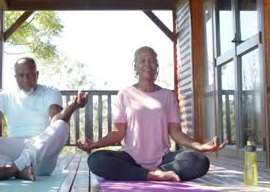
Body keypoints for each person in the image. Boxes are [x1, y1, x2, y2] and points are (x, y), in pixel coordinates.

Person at [76, 46, 228, 182]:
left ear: (157, 66)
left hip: (162, 159)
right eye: (142, 61)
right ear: (135, 66)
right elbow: (117, 133)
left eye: (151, 61)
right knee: (96, 160)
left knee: (199, 161)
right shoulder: (125, 94)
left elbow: (175, 133)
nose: (147, 64)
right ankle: (150, 175)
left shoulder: (168, 95)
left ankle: (153, 172)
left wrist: (199, 146)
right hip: (131, 158)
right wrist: (96, 144)